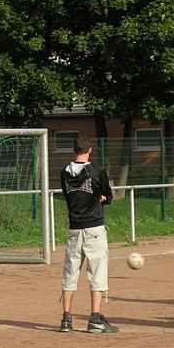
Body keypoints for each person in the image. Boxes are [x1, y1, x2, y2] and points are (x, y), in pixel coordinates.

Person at [59, 136, 116, 333]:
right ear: (90, 150)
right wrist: (101, 197)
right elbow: (107, 196)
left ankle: (66, 318)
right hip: (94, 227)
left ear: (75, 150)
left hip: (74, 227)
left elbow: (70, 195)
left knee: (70, 271)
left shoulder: (64, 172)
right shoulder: (97, 171)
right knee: (97, 271)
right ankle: (94, 318)